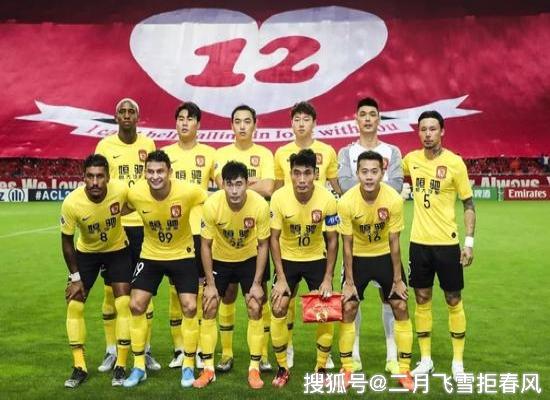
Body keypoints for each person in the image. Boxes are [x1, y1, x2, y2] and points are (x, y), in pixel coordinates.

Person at [122, 150, 207, 388]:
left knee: (190, 306)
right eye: (150, 171)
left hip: (183, 254)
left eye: (160, 171)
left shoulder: (188, 191)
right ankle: (139, 366)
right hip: (151, 254)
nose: (155, 176)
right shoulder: (136, 193)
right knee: (135, 304)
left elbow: (211, 200)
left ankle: (188, 365)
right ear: (144, 173)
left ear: (170, 172)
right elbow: (121, 207)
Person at [402, 110, 476, 381]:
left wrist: (469, 242)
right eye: (423, 129)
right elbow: (389, 175)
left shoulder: (455, 163)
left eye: (433, 129)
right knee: (422, 299)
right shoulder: (410, 160)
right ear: (418, 132)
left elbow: (468, 204)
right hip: (418, 243)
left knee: (453, 299)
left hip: (447, 244)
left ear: (442, 131)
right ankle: (425, 360)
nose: (428, 134)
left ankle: (458, 362)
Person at [337, 97, 404, 373]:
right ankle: (353, 354)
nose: (367, 119)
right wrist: (374, 183)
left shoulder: (392, 151)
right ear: (356, 118)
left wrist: (370, 184)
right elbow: (344, 184)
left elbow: (397, 185)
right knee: (352, 299)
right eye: (362, 114)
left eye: (372, 114)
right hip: (356, 241)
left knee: (392, 299)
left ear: (378, 119)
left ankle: (392, 355)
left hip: (385, 241)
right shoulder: (346, 152)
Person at [337, 150, 414, 390]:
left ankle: (404, 368)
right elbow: (346, 244)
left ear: (382, 172)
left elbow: (394, 241)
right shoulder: (346, 201)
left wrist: (398, 280)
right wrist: (349, 282)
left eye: (374, 171)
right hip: (358, 258)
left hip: (384, 256)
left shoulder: (393, 199)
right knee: (348, 307)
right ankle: (347, 367)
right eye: (364, 172)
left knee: (400, 305)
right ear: (357, 173)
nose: (369, 177)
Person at [273, 101, 341, 368]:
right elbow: (273, 235)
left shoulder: (328, 196)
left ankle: (323, 360)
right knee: (280, 303)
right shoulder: (281, 159)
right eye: (297, 173)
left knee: (325, 304)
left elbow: (333, 238)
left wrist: (328, 278)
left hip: (316, 249)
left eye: (307, 173)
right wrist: (280, 278)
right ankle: (285, 353)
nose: (301, 178)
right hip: (288, 252)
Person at [95, 98, 159, 372]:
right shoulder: (105, 146)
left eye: (131, 111)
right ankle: (112, 350)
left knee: (144, 290)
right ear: (116, 117)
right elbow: (100, 183)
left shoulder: (148, 144)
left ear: (138, 117)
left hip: (143, 226)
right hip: (115, 227)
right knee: (112, 291)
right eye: (122, 111)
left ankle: (145, 348)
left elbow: (153, 181)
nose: (126, 115)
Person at [195, 161, 270, 389]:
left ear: (247, 184)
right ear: (223, 185)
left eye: (239, 184)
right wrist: (209, 283)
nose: (235, 190)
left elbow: (264, 245)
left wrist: (257, 282)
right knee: (209, 305)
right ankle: (208, 368)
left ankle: (254, 369)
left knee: (255, 305)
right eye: (230, 184)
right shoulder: (212, 205)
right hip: (221, 259)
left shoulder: (259, 205)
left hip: (249, 258)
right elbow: (205, 245)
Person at [61, 154, 132, 388]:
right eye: (90, 176)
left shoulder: (120, 190)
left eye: (100, 176)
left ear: (108, 177)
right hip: (87, 253)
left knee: (123, 303)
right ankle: (79, 366)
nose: (94, 182)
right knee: (74, 304)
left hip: (117, 250)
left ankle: (121, 364)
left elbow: (139, 202)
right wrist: (75, 278)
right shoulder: (72, 203)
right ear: (83, 177)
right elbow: (66, 241)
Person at [213, 105, 274, 373]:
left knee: (258, 298)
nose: (242, 126)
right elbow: (221, 186)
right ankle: (226, 354)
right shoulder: (221, 154)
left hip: (255, 237)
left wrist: (240, 185)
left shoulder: (265, 153)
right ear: (231, 126)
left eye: (247, 121)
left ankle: (262, 355)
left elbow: (269, 188)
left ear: (255, 125)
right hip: (225, 239)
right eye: (237, 121)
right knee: (227, 296)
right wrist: (253, 183)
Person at [162, 102, 216, 368]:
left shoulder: (209, 154)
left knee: (202, 291)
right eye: (180, 118)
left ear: (198, 124)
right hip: (174, 232)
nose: (184, 122)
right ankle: (179, 350)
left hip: (200, 232)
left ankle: (202, 349)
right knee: (176, 292)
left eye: (190, 119)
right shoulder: (165, 154)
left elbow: (224, 186)